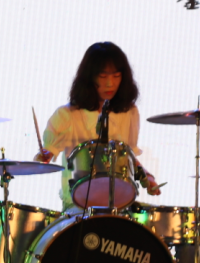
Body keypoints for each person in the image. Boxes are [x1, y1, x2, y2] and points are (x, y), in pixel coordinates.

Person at [35, 42, 160, 210]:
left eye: (116, 76)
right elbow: (48, 152)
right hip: (78, 206)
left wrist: (147, 177)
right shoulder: (67, 115)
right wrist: (45, 155)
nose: (110, 84)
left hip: (117, 203)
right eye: (102, 76)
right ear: (89, 77)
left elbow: (126, 157)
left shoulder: (129, 112)